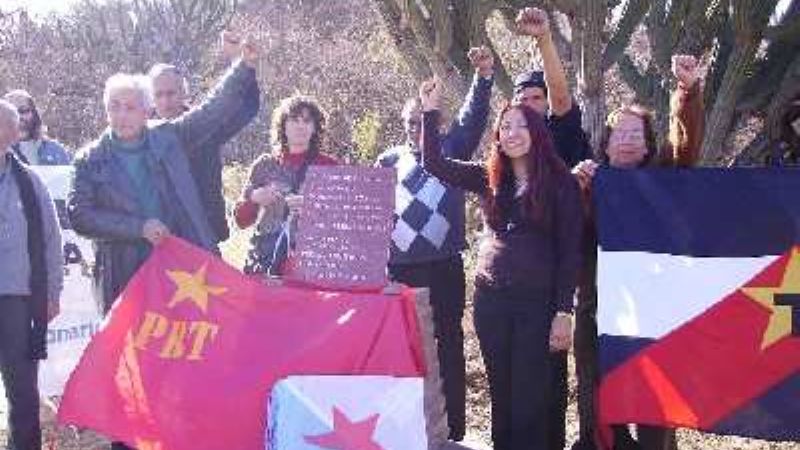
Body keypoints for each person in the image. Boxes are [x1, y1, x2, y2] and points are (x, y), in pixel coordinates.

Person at [68, 33, 259, 450]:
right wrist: (136, 226)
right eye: (114, 107)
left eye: (130, 106)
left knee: (181, 365)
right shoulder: (89, 159)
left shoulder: (168, 137)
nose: (122, 115)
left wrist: (242, 67)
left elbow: (212, 113)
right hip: (125, 280)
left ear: (146, 109)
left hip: (178, 278)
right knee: (129, 370)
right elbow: (80, 215)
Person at [420, 78, 582, 450]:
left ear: (538, 132)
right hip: (491, 301)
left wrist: (563, 311)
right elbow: (435, 163)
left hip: (537, 305)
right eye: (505, 126)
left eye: (522, 125)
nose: (512, 133)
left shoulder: (560, 184)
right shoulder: (489, 177)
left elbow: (569, 251)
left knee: (531, 398)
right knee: (502, 394)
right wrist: (430, 112)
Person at [571, 54, 704, 450]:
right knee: (599, 409)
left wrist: (687, 93)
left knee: (655, 412)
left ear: (648, 144)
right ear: (605, 143)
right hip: (597, 314)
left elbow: (685, 146)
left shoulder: (662, 181)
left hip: (652, 316)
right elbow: (570, 241)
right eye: (619, 133)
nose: (627, 139)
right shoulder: (590, 181)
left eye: (636, 134)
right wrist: (577, 191)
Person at [375, 46, 495, 441]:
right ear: (402, 123)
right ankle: (409, 428)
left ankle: (454, 429)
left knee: (449, 345)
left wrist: (482, 78)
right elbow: (371, 212)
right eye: (410, 123)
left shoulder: (451, 149)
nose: (416, 129)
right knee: (405, 346)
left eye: (422, 121)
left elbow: (475, 117)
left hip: (444, 264)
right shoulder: (386, 160)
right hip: (399, 268)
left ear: (436, 121)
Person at [512, 9, 592, 448]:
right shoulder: (508, 149)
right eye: (521, 99)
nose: (530, 104)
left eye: (535, 98)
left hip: (561, 274)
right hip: (518, 281)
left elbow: (562, 97)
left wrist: (543, 41)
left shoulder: (561, 134)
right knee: (519, 373)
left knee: (555, 371)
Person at [148, 31, 260, 243]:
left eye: (171, 93)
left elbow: (247, 108)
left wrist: (244, 63)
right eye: (158, 95)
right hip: (162, 239)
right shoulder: (142, 136)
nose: (165, 101)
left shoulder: (205, 126)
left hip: (205, 235)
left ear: (184, 93)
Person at [0, 98, 63, 450]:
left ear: (12, 133)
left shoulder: (30, 183)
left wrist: (52, 293)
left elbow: (51, 241)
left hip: (18, 300)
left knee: (22, 393)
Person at [234, 94, 338, 276]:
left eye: (306, 121)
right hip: (264, 261)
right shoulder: (264, 165)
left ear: (315, 128)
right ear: (283, 125)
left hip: (310, 265)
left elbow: (341, 222)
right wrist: (255, 198)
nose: (300, 126)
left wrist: (314, 208)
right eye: (294, 119)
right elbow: (241, 221)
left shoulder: (329, 167)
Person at [3, 90, 71, 165]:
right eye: (13, 113)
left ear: (34, 114)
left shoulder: (55, 151)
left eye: (24, 111)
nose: (19, 117)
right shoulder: (2, 152)